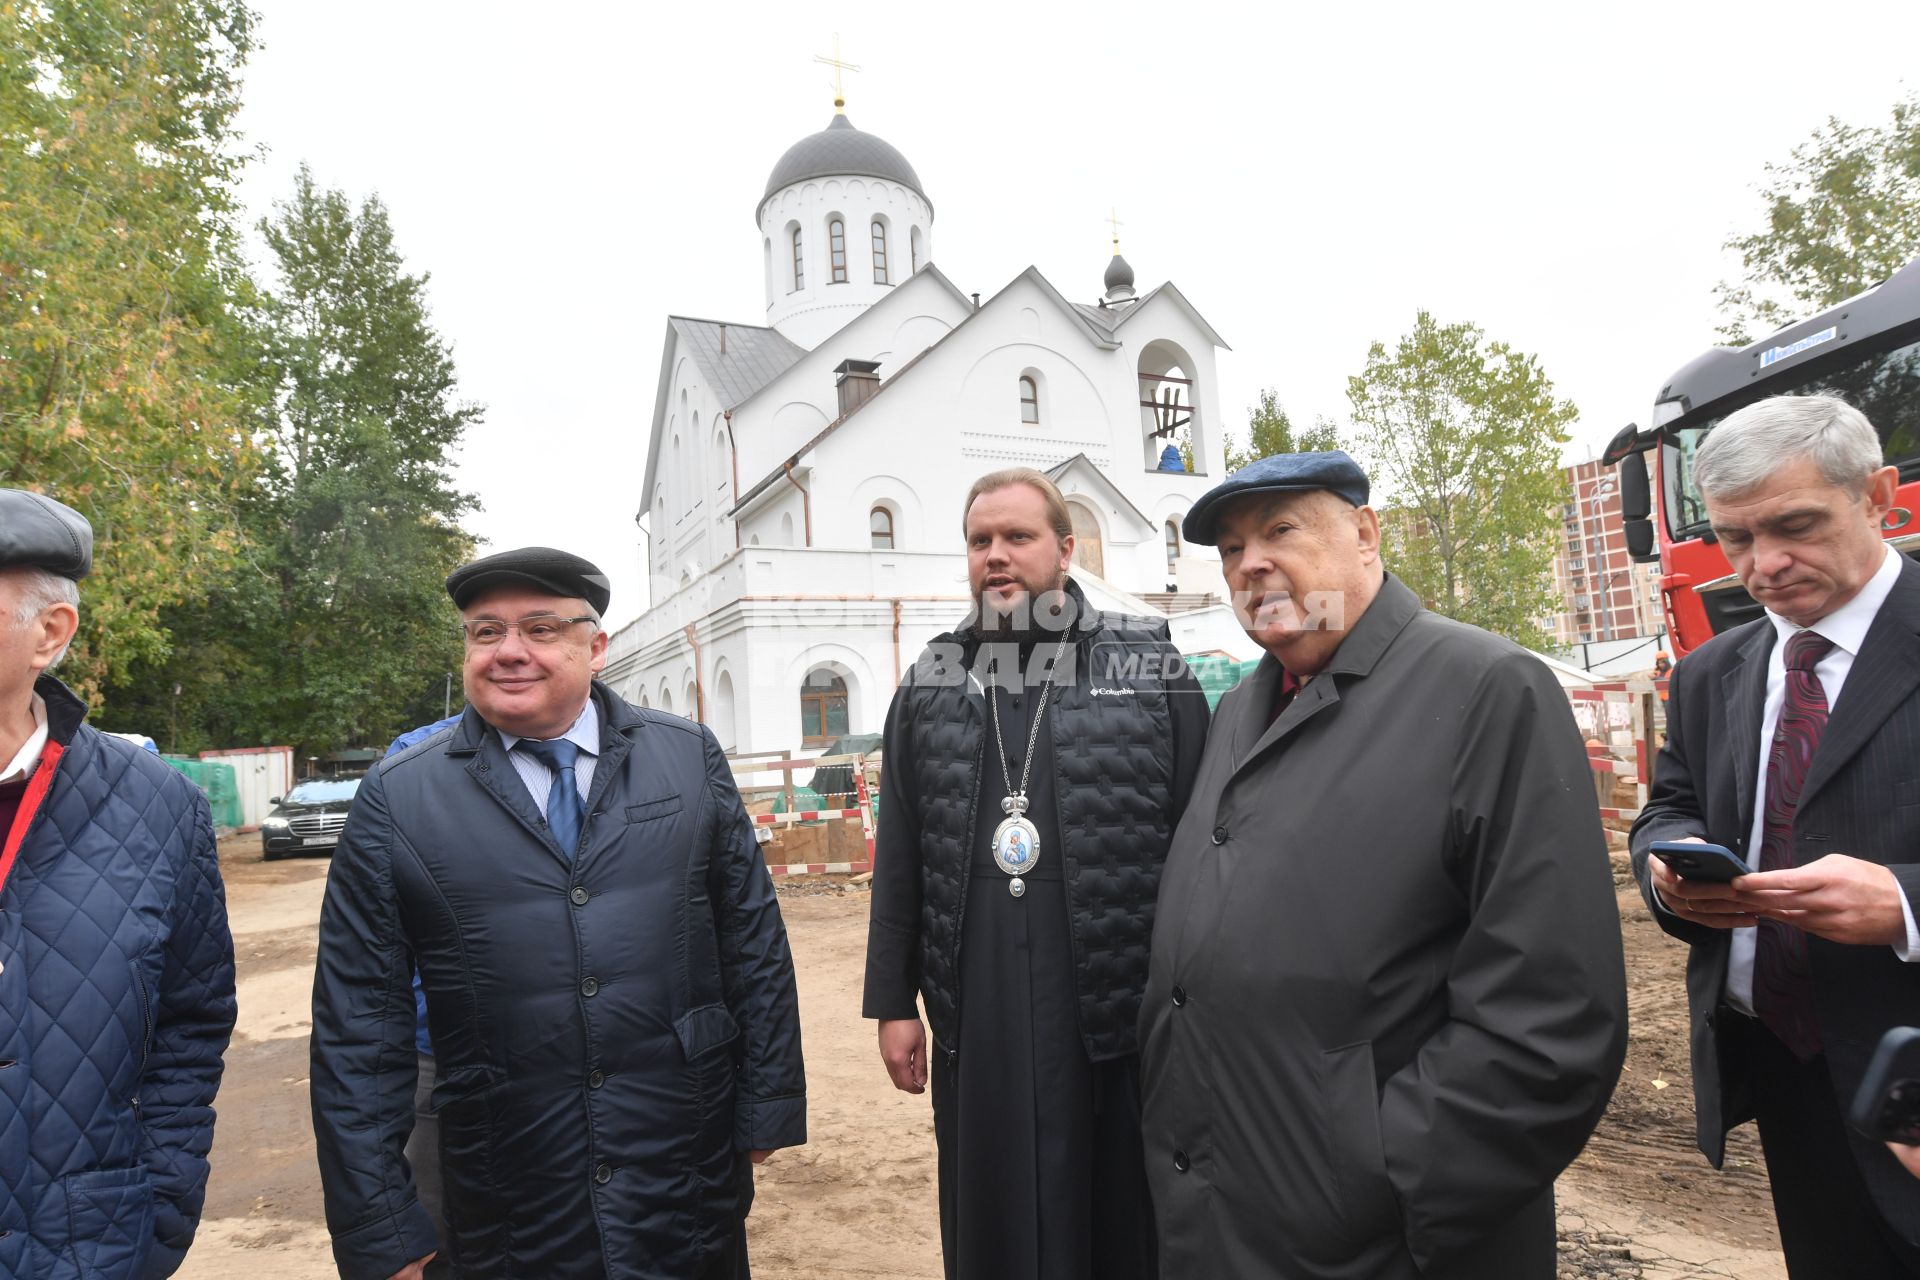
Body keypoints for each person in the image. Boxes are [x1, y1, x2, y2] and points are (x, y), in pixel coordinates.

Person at [1140, 452, 1627, 1279]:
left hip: (1380, 1241)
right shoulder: (1239, 711)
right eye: (1229, 550)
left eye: (1280, 530)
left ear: (1366, 534)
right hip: (1223, 1211)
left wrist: (1380, 1177)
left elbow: (1550, 1019)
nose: (1250, 563)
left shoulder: (1487, 691)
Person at [311, 547, 806, 1279]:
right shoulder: (401, 797)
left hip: (680, 1155)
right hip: (508, 1178)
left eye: (540, 629)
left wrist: (768, 1102)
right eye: (486, 632)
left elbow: (752, 940)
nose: (510, 651)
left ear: (595, 647)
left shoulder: (687, 757)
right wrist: (378, 1220)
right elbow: (358, 1022)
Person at [863, 467, 1208, 1280]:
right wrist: (892, 1003)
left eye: (1017, 537)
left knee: (1118, 1215)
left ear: (1065, 548)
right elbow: (902, 856)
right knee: (991, 1212)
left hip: (1112, 995)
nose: (996, 556)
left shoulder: (1148, 666)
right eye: (980, 541)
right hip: (976, 1001)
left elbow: (1206, 841)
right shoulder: (930, 684)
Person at [1629, 394, 1920, 1277]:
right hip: (1786, 1066)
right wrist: (1668, 876)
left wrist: (1905, 902)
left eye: (1795, 525)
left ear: (1876, 494)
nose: (1765, 565)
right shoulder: (1713, 671)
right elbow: (1667, 807)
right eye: (1736, 539)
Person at [0, 488, 238, 1278]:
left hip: (85, 1246)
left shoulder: (157, 807)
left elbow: (191, 1022)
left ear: (50, 633)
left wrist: (157, 1202)